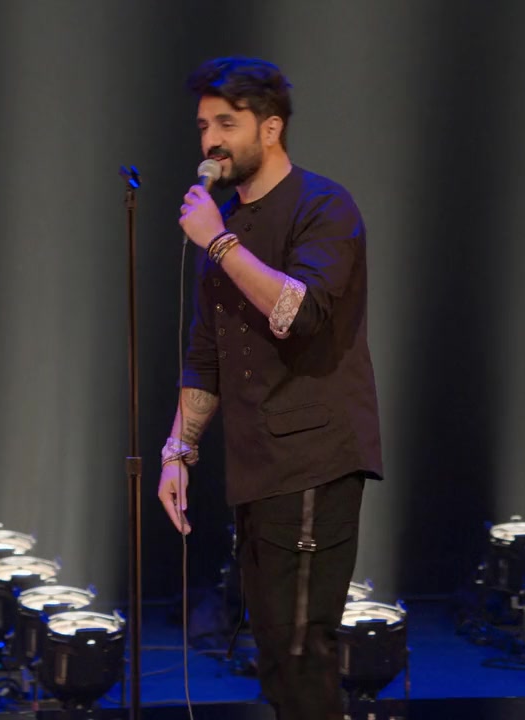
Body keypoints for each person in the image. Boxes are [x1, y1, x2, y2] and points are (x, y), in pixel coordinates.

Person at [157, 56, 383, 720]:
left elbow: (300, 312)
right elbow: (206, 353)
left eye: (227, 124)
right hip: (256, 465)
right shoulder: (225, 221)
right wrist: (178, 451)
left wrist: (219, 243)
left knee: (302, 649)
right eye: (204, 126)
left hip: (315, 459)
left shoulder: (323, 206)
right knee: (275, 653)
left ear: (272, 127)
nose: (211, 141)